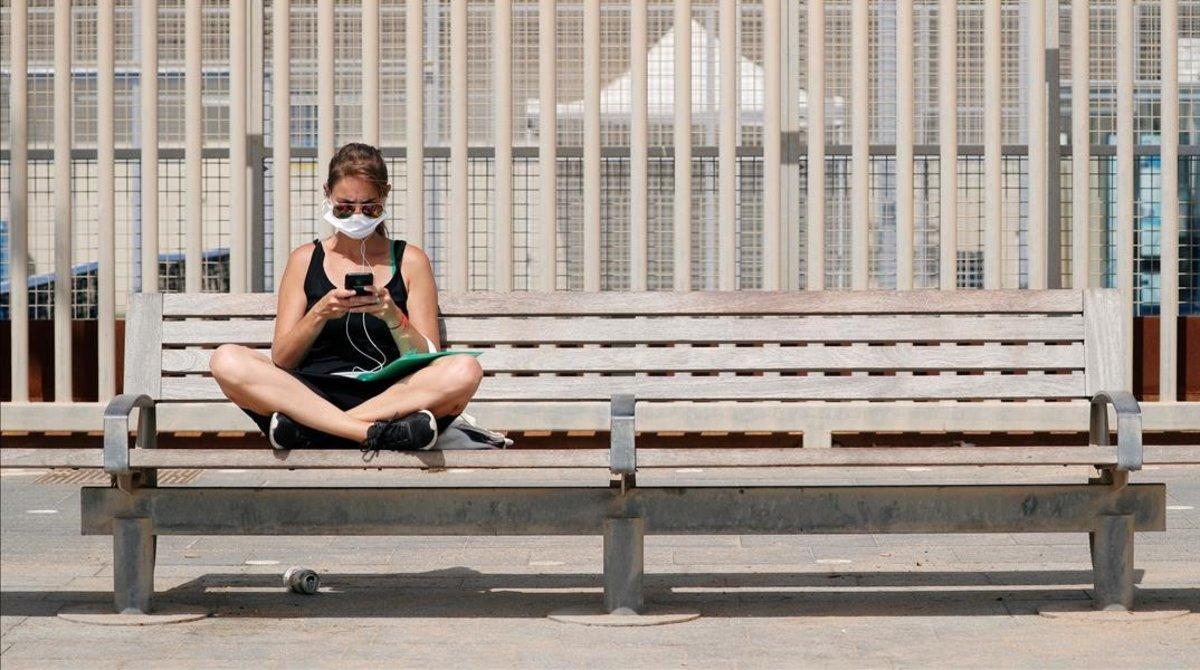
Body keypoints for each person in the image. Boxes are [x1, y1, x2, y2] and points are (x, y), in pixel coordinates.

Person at [210, 142, 483, 453]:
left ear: (385, 196)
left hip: (390, 395)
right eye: (344, 207)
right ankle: (371, 433)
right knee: (226, 359)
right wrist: (319, 313)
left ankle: (315, 430)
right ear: (327, 193)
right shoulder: (304, 259)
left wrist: (394, 316)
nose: (357, 216)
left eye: (369, 208)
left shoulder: (410, 260)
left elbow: (428, 357)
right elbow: (283, 358)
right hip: (313, 391)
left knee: (465, 370)